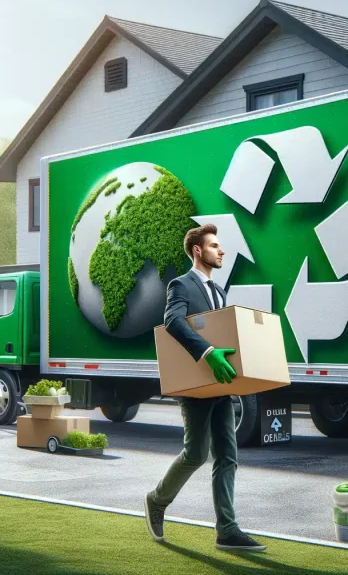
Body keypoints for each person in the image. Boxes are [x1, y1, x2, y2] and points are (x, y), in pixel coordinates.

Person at [144, 223, 267, 552]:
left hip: (221, 387)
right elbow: (173, 321)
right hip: (196, 386)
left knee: (228, 456)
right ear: (198, 251)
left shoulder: (220, 292)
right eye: (214, 246)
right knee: (197, 453)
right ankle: (157, 500)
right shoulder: (181, 285)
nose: (221, 250)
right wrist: (208, 353)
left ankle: (227, 529)